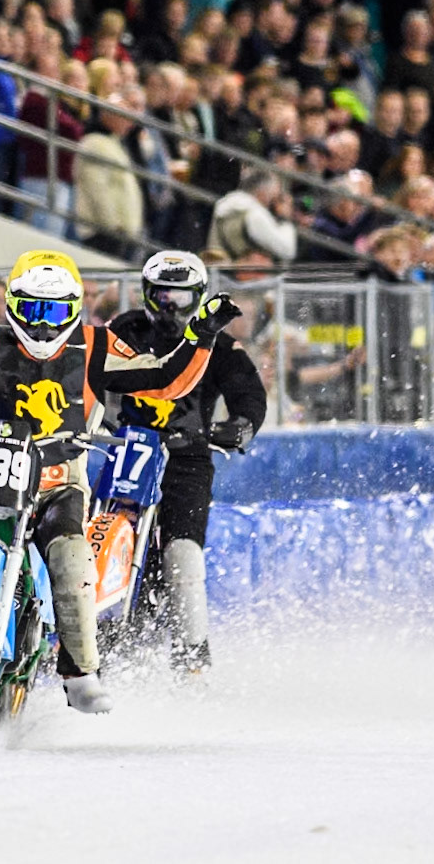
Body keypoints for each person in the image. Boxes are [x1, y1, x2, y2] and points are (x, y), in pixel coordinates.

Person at [0, 249, 240, 721]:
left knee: (72, 558)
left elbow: (164, 380)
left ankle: (80, 672)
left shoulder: (97, 344)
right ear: (11, 304)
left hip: (61, 477)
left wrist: (201, 335)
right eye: (32, 309)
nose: (43, 324)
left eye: (53, 312)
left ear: (73, 310)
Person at [106, 251, 266, 671]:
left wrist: (242, 426)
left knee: (182, 551)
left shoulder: (220, 343)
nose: (170, 306)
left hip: (188, 456)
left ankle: (192, 656)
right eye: (162, 295)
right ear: (146, 294)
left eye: (180, 296)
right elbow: (87, 371)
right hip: (129, 448)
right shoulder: (124, 330)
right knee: (101, 532)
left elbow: (249, 394)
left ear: (199, 296)